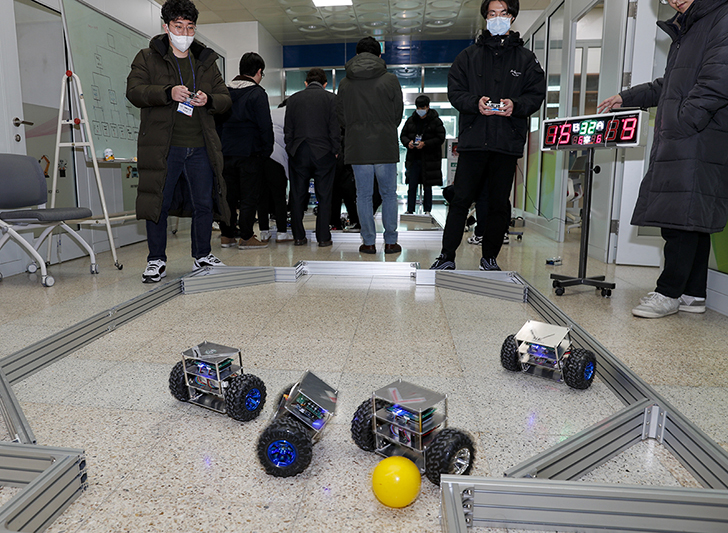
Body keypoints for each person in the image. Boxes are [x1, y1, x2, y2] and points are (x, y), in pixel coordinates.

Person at [597, 0, 728, 319]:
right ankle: (693, 293)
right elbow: (668, 86)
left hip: (698, 135)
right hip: (691, 135)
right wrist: (627, 98)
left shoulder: (721, 18)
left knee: (677, 217)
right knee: (693, 216)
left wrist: (685, 120)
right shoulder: (691, 26)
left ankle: (668, 292)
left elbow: (719, 78)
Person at [430, 0, 545, 271]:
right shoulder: (468, 56)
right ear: (485, 18)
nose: (497, 18)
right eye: (492, 14)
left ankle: (489, 258)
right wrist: (474, 103)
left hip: (506, 142)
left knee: (497, 204)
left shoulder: (526, 60)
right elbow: (455, 91)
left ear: (512, 17)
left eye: (503, 13)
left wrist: (515, 105)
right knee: (460, 199)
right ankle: (447, 256)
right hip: (474, 140)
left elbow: (536, 95)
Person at [127, 0, 231, 283]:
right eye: (178, 26)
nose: (184, 32)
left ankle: (201, 255)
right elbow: (134, 91)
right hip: (164, 146)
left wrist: (209, 99)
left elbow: (225, 97)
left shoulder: (206, 61)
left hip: (200, 145)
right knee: (157, 202)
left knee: (204, 204)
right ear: (166, 27)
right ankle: (156, 259)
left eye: (189, 27)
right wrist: (167, 92)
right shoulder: (148, 57)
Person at [337, 36, 404, 255]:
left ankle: (368, 243)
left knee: (363, 196)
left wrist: (357, 130)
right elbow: (397, 114)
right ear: (379, 55)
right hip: (385, 144)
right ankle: (391, 242)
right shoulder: (391, 80)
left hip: (357, 146)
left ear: (357, 55)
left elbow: (342, 117)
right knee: (389, 195)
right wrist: (384, 127)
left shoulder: (345, 82)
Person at [217, 52, 274, 250]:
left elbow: (217, 124)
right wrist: (266, 150)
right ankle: (247, 236)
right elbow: (265, 126)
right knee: (249, 196)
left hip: (226, 153)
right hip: (250, 153)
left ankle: (226, 235)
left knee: (228, 196)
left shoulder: (224, 91)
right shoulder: (257, 93)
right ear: (259, 72)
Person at [284, 67, 340, 247]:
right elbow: (334, 128)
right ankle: (323, 238)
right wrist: (336, 149)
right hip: (324, 153)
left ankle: (299, 236)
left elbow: (288, 129)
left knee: (297, 195)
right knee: (324, 196)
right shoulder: (331, 98)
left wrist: (291, 147)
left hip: (299, 151)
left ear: (306, 83)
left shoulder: (293, 99)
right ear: (325, 84)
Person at [400, 95, 446, 215]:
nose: (421, 110)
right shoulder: (411, 120)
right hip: (413, 158)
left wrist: (425, 143)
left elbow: (440, 138)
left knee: (427, 186)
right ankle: (410, 209)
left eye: (423, 107)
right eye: (418, 108)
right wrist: (408, 142)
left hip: (429, 159)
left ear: (428, 107)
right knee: (412, 185)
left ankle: (427, 210)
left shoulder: (435, 121)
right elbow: (403, 135)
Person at [260, 99, 294, 243]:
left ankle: (264, 232)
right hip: (277, 158)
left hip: (260, 156)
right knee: (279, 197)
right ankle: (281, 233)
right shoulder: (291, 114)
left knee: (262, 196)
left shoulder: (271, 113)